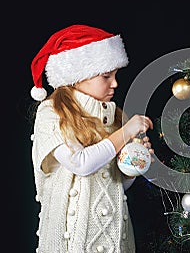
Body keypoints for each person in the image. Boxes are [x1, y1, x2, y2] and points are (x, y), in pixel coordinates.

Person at [30, 24, 154, 253]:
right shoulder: (52, 113)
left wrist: (133, 165)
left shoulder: (114, 117)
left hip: (115, 235)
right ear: (78, 76)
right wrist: (125, 132)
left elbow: (116, 186)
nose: (115, 84)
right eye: (106, 76)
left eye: (115, 76)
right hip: (73, 241)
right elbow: (81, 163)